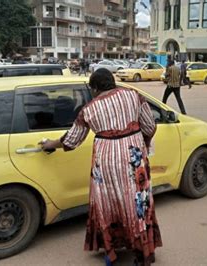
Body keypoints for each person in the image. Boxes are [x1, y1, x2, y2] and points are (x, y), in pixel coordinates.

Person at [41, 69, 162, 266]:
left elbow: (72, 140)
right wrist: (144, 142)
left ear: (95, 88)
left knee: (108, 203)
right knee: (137, 203)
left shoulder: (89, 109)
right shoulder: (134, 96)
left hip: (105, 162)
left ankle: (112, 251)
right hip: (134, 157)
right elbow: (149, 126)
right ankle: (143, 253)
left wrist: (50, 144)